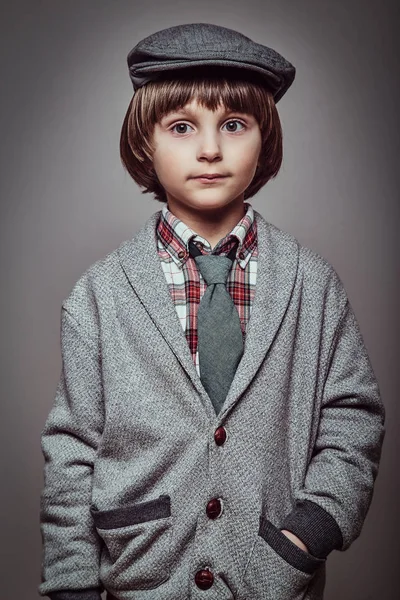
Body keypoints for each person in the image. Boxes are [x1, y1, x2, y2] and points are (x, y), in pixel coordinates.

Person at [38, 23, 386, 600]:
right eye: (181, 127)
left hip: (273, 576)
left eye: (233, 124)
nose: (209, 149)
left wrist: (308, 533)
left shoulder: (313, 285)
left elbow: (353, 416)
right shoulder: (98, 295)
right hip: (143, 578)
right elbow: (72, 452)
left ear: (265, 138)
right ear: (145, 142)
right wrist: (73, 586)